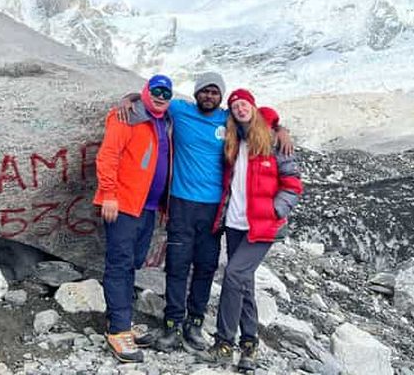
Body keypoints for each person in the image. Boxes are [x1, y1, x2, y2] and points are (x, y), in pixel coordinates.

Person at [118, 72, 293, 352]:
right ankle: (172, 323)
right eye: (205, 91)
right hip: (181, 204)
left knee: (205, 267)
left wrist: (281, 129)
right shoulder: (181, 110)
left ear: (220, 97)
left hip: (214, 210)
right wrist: (131, 98)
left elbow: (262, 116)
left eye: (215, 92)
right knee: (176, 266)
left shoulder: (228, 119)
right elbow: (155, 100)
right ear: (196, 93)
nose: (209, 96)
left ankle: (195, 324)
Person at [204, 88, 303, 373]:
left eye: (244, 104)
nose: (240, 109)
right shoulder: (234, 141)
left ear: (253, 106)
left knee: (233, 275)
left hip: (262, 226)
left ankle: (223, 343)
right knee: (243, 282)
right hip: (235, 224)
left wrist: (275, 211)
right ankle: (249, 345)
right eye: (235, 107)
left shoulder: (272, 140)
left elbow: (293, 184)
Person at [94, 74, 174, 363]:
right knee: (120, 263)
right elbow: (108, 156)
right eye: (156, 90)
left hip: (149, 208)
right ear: (146, 91)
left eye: (166, 92)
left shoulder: (164, 120)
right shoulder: (127, 116)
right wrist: (109, 193)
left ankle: (120, 320)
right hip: (124, 204)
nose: (161, 96)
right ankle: (118, 330)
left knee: (134, 262)